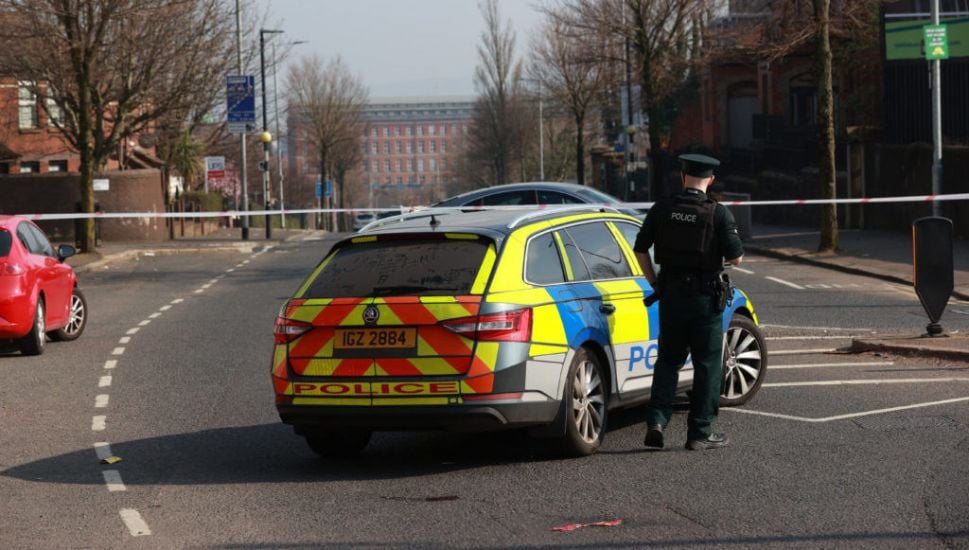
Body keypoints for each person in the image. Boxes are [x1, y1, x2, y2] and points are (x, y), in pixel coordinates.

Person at [633, 153, 744, 451]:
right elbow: (736, 257)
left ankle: (656, 421)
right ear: (711, 180)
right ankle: (700, 432)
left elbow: (640, 249)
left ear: (683, 176)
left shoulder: (663, 208)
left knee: (668, 361)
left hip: (670, 296)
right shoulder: (718, 213)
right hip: (705, 300)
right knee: (707, 365)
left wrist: (654, 283)